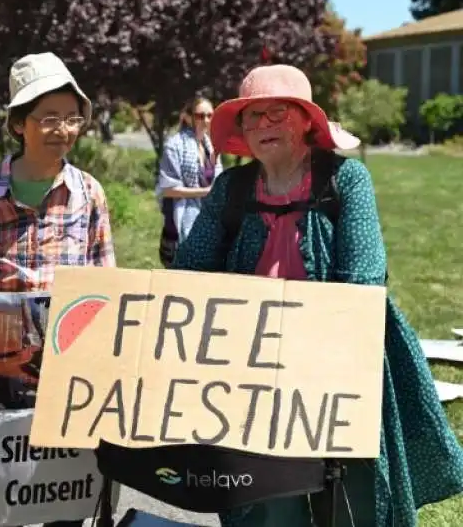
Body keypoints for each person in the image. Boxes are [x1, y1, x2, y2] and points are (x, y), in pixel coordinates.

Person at [170, 64, 463, 527]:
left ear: (307, 121)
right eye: (253, 116)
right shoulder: (231, 188)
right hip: (253, 372)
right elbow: (188, 272)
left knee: (353, 503)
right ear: (242, 131)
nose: (265, 124)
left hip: (339, 368)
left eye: (279, 113)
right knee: (266, 503)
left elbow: (363, 280)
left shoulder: (346, 181)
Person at [0, 52, 116, 527]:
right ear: (19, 124)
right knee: (4, 506)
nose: (63, 130)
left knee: (68, 503)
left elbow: (106, 290)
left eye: (72, 118)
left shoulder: (89, 193)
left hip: (70, 375)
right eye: (49, 118)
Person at [156, 96, 223, 267]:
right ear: (187, 117)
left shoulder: (212, 147)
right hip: (178, 228)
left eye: (210, 115)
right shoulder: (175, 145)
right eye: (200, 115)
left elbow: (218, 181)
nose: (206, 120)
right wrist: (206, 192)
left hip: (207, 224)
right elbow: (168, 189)